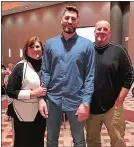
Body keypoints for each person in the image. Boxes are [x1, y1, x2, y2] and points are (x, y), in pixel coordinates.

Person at [38, 5, 95, 147]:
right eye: (67, 18)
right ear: (61, 20)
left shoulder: (87, 45)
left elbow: (90, 76)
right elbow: (45, 71)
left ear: (77, 22)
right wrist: (41, 98)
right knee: (51, 140)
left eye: (73, 19)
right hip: (53, 100)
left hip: (76, 101)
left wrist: (86, 103)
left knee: (79, 140)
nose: (70, 21)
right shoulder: (50, 44)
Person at [86, 20, 134, 147]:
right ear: (94, 31)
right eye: (99, 29)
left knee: (118, 140)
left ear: (110, 33)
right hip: (91, 107)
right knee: (92, 141)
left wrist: (120, 101)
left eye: (105, 29)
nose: (101, 32)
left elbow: (129, 76)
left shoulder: (119, 51)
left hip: (113, 106)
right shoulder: (87, 51)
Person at [6, 36, 47, 147]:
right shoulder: (20, 67)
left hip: (41, 113)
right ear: (26, 49)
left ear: (42, 49)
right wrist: (33, 93)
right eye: (31, 46)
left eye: (37, 46)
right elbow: (10, 91)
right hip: (22, 113)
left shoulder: (46, 66)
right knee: (22, 142)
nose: (35, 49)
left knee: (38, 141)